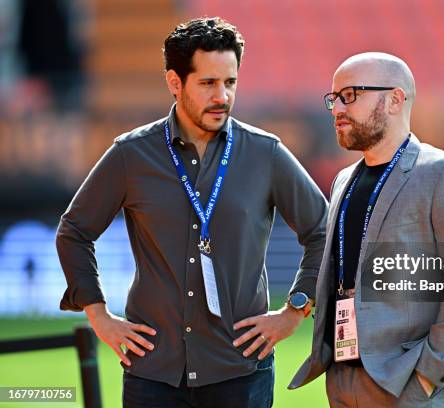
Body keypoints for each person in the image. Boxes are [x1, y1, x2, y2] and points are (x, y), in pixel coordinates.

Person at [56, 17, 328, 408]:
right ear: (174, 83)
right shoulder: (131, 155)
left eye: (230, 82)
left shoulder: (265, 153)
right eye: (208, 83)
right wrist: (99, 316)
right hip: (153, 372)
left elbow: (323, 230)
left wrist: (296, 308)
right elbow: (74, 232)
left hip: (241, 370)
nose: (222, 96)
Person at [289, 52, 444, 408]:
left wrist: (427, 378)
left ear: (395, 99)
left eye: (350, 95)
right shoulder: (343, 181)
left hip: (413, 387)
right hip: (344, 380)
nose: (338, 108)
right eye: (334, 98)